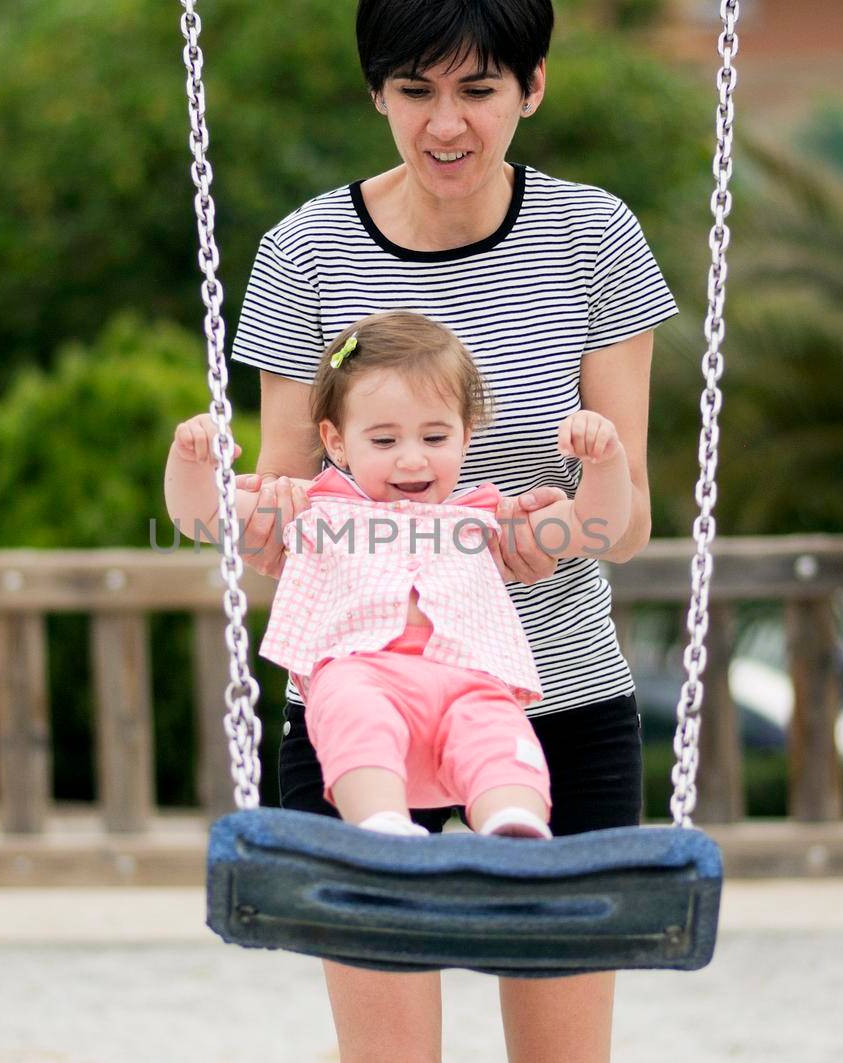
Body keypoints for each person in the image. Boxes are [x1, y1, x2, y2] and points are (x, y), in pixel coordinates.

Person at [226, 2, 677, 1059]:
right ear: (377, 92)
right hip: (357, 709)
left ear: (532, 87)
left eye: (477, 90)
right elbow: (281, 501)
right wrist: (255, 521)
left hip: (549, 694)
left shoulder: (593, 237)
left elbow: (631, 513)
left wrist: (557, 532)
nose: (446, 124)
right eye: (416, 90)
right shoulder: (305, 251)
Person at [165, 311, 633, 841]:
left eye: (435, 437)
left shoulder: (482, 520)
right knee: (353, 709)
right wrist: (192, 461)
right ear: (337, 442)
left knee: (498, 728)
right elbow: (200, 515)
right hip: (364, 675)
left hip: (467, 681)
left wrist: (605, 462)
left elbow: (596, 527)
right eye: (384, 442)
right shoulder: (312, 513)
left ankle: (512, 825)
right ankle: (382, 824)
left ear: (466, 435)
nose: (412, 460)